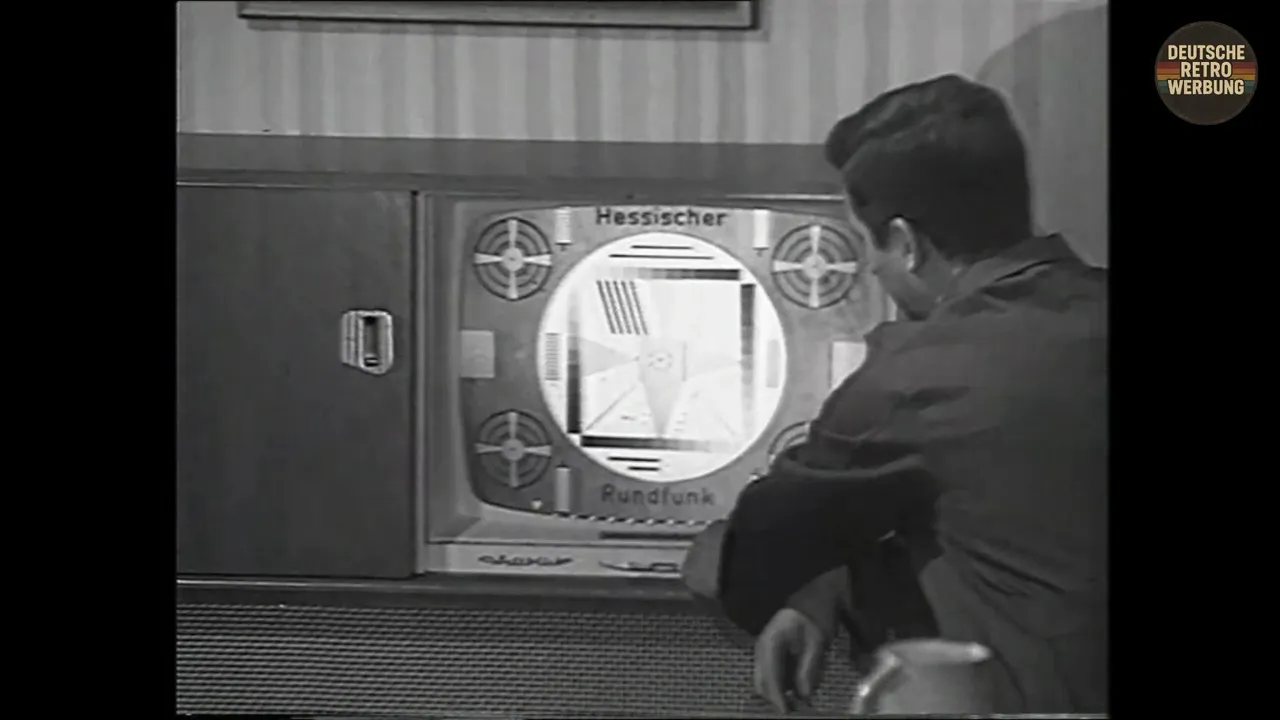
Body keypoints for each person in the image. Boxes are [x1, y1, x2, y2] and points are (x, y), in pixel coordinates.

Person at [682, 74, 1107, 714]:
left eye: (868, 243)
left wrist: (796, 579)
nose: (874, 268)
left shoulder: (914, 378)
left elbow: (752, 564)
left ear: (906, 245)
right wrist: (829, 584)